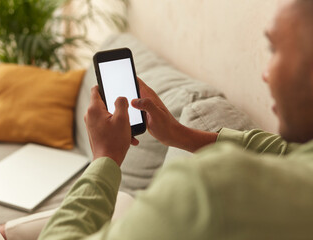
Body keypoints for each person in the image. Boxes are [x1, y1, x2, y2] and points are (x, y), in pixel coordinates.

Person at [38, 0, 313, 239]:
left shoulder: (212, 190)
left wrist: (105, 157)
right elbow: (284, 151)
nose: (266, 74)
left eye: (275, 49)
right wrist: (178, 133)